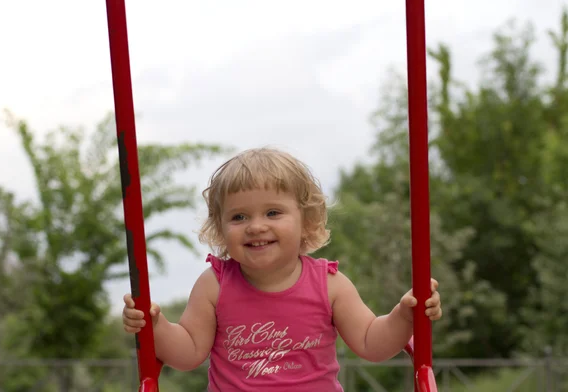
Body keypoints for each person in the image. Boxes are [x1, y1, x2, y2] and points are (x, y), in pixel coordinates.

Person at [122, 147, 442, 391]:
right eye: (239, 217)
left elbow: (372, 343)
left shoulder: (329, 284)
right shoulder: (215, 285)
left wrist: (404, 315)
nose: (256, 227)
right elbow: (188, 352)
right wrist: (156, 324)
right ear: (220, 229)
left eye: (273, 212)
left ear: (307, 221)